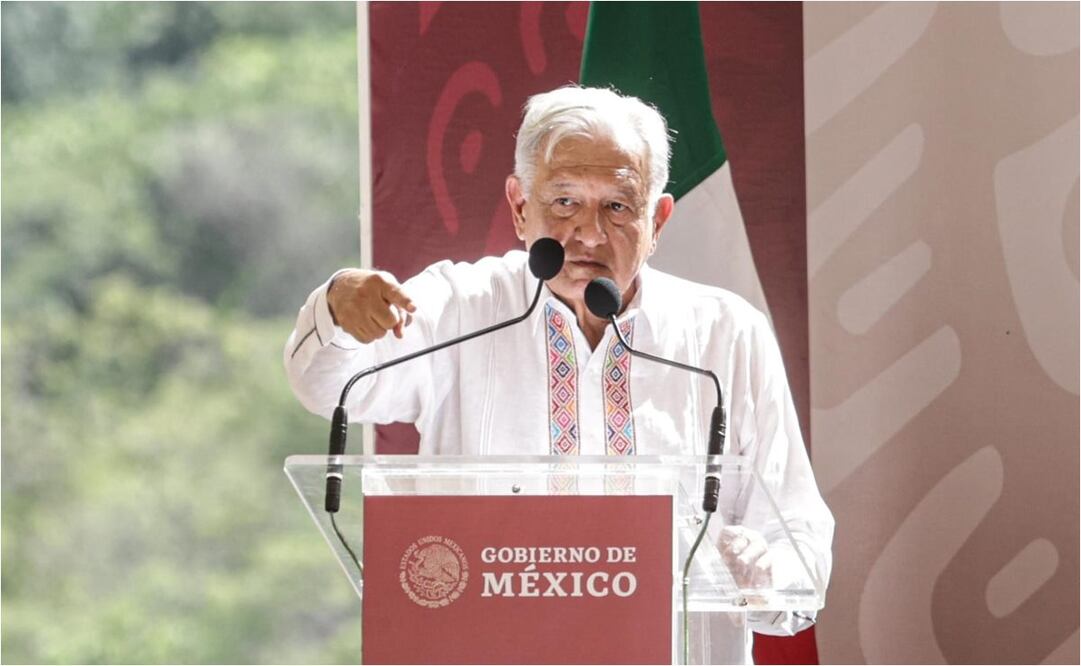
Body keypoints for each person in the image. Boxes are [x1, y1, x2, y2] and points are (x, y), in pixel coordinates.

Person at [284, 86, 833, 663]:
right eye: (565, 203)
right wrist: (339, 309)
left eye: (618, 207)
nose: (589, 234)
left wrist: (763, 572)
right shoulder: (460, 308)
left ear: (658, 218)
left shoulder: (726, 335)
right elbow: (324, 385)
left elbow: (799, 534)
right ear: (521, 208)